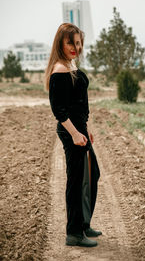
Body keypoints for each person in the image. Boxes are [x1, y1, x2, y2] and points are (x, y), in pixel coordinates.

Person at [45, 23, 101, 247]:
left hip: (79, 129)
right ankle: (74, 233)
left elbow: (77, 104)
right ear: (61, 43)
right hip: (71, 132)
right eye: (71, 42)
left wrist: (85, 128)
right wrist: (76, 134)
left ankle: (83, 223)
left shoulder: (70, 65)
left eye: (78, 43)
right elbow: (59, 110)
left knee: (91, 174)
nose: (75, 47)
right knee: (76, 180)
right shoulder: (59, 69)